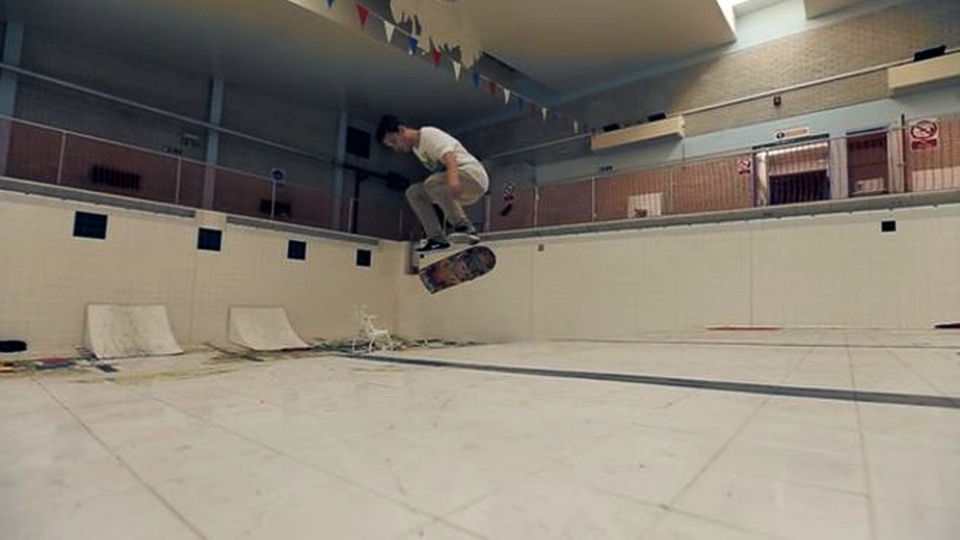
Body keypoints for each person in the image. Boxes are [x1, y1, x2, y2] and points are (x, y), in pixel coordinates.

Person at [376, 115, 489, 252]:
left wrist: (452, 180)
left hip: (472, 177)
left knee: (431, 183)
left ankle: (464, 227)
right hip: (456, 184)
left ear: (401, 130)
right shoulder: (418, 151)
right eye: (391, 146)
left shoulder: (428, 135)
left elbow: (450, 157)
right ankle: (436, 238)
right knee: (413, 193)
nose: (396, 148)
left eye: (394, 142)